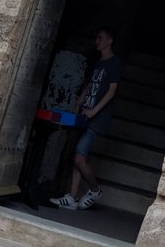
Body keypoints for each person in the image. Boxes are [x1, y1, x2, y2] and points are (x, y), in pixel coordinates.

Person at [51, 27, 120, 211]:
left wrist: (94, 110)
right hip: (85, 115)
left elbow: (112, 91)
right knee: (78, 157)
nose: (97, 41)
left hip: (97, 118)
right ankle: (73, 197)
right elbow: (89, 85)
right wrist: (79, 102)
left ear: (110, 41)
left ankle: (95, 189)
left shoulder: (114, 63)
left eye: (100, 38)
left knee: (79, 158)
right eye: (97, 37)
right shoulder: (98, 63)